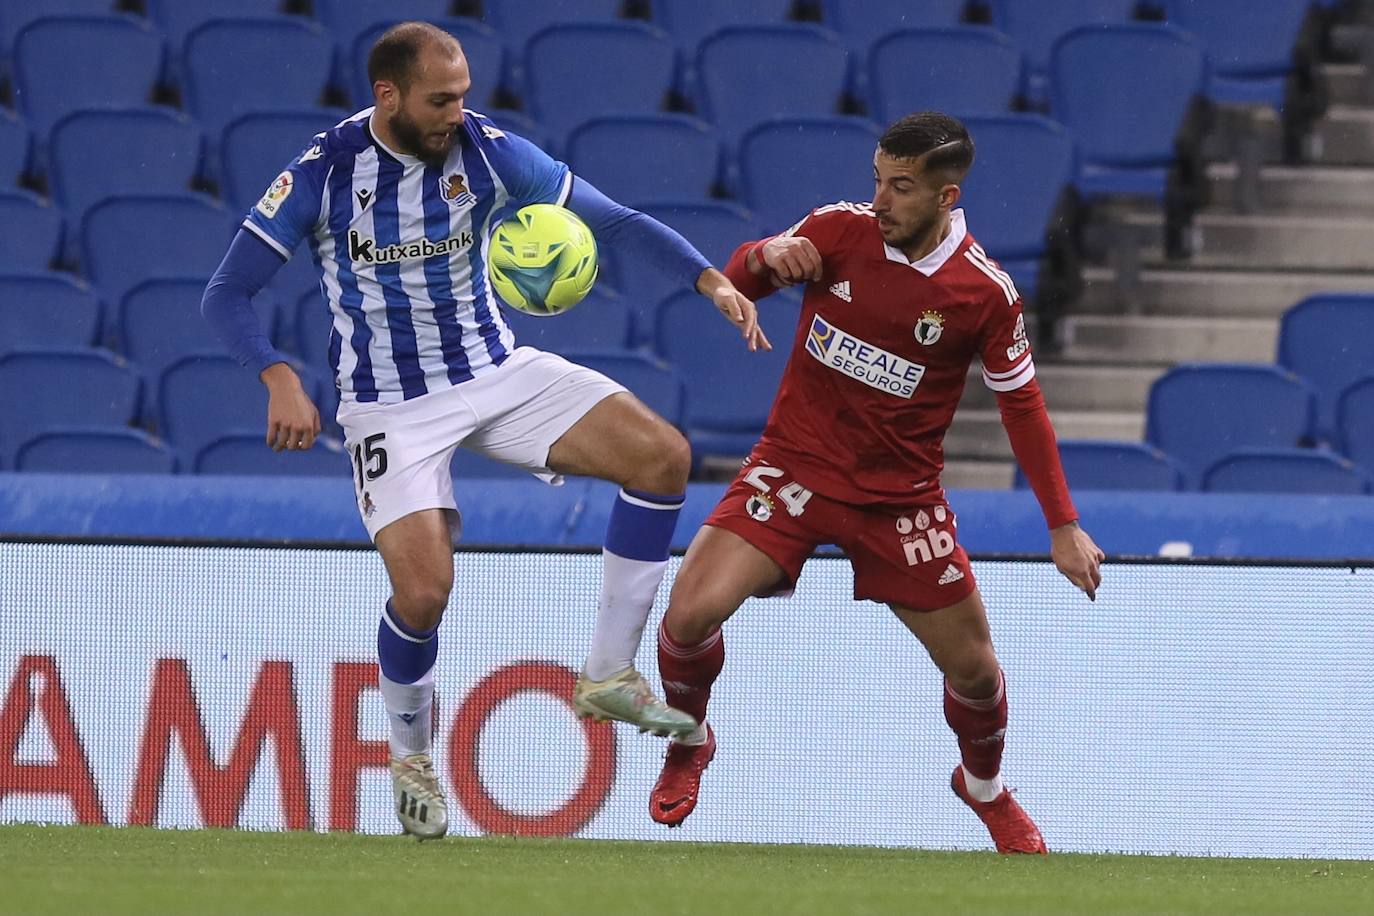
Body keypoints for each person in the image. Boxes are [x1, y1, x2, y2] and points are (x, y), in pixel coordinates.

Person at [201, 22, 768, 840]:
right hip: (388, 403)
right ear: (387, 95)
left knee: (663, 457)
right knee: (426, 593)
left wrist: (708, 278)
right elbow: (227, 293)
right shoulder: (324, 173)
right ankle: (409, 758)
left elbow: (612, 219)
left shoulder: (487, 150)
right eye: (441, 100)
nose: (456, 114)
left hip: (493, 374)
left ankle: (610, 672)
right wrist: (278, 374)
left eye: (464, 95)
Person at [646, 112, 1104, 854]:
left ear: (946, 195)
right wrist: (770, 252)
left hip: (900, 500)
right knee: (687, 616)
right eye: (877, 180)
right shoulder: (837, 229)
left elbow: (1022, 403)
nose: (881, 200)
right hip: (793, 466)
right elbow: (738, 282)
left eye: (901, 187)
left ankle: (983, 789)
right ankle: (689, 741)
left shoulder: (984, 293)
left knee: (978, 675)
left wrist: (1062, 523)